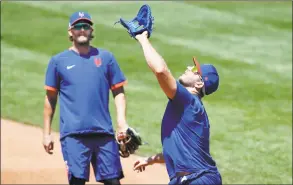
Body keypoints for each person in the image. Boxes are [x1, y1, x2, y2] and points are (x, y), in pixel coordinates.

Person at [43, 11, 130, 185]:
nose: (82, 30)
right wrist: (46, 133)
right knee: (77, 181)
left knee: (113, 182)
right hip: (74, 135)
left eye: (85, 26)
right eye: (77, 27)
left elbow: (118, 92)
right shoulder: (58, 61)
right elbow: (50, 99)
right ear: (70, 31)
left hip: (103, 134)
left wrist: (121, 122)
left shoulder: (106, 58)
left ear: (91, 30)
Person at [132, 31, 222, 185]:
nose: (188, 67)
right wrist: (151, 160)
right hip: (192, 179)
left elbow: (161, 71)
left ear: (199, 84)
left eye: (194, 70)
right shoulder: (187, 106)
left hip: (198, 179)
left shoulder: (188, 101)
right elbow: (179, 151)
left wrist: (142, 38)